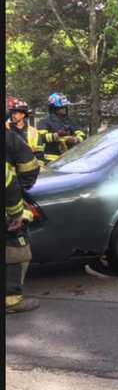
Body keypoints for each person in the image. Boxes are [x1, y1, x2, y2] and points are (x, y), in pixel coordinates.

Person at [6, 127, 41, 313]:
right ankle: (11, 301)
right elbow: (28, 168)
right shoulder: (9, 138)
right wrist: (16, 213)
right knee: (16, 251)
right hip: (7, 204)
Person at [37, 93, 86, 162]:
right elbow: (40, 138)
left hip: (69, 159)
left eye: (65, 107)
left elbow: (82, 135)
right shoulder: (44, 122)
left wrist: (75, 139)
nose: (64, 109)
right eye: (61, 107)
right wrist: (56, 135)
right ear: (53, 108)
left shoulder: (70, 121)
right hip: (51, 160)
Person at [6, 96, 46, 163]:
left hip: (28, 170)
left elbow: (39, 154)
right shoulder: (6, 128)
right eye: (11, 113)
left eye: (15, 113)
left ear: (23, 114)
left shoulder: (33, 131)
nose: (12, 116)